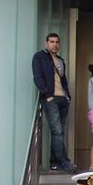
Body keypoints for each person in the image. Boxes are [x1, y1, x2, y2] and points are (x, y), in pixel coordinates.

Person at [31, 32, 75, 172]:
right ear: (46, 43)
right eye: (51, 41)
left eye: (57, 42)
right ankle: (64, 162)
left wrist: (68, 96)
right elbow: (37, 77)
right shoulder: (40, 57)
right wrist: (47, 94)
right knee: (57, 131)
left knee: (58, 131)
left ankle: (54, 162)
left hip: (63, 99)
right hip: (51, 99)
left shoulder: (61, 60)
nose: (54, 44)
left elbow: (63, 80)